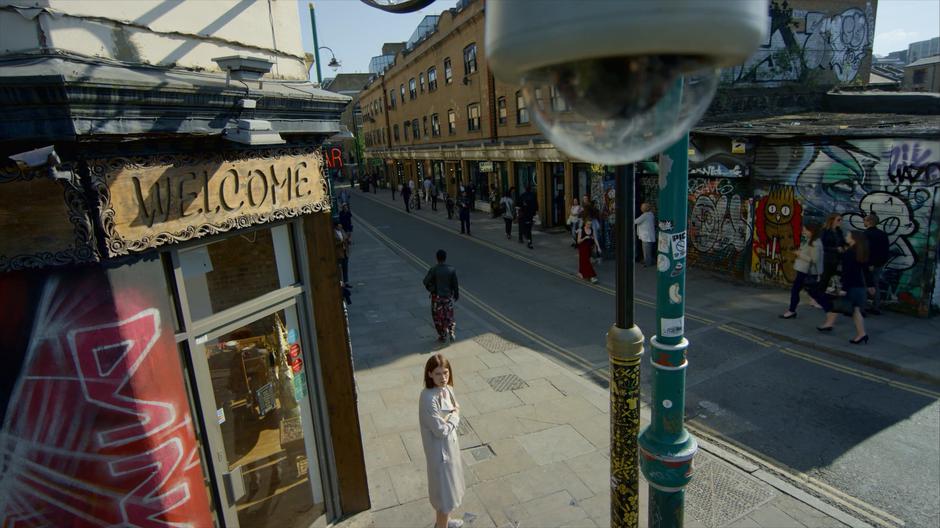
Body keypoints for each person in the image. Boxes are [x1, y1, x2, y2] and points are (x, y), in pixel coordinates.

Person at [419, 353, 465, 528]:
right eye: (438, 374)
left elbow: (454, 407)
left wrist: (451, 416)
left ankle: (445, 521)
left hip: (450, 447)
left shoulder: (447, 389)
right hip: (439, 453)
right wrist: (455, 417)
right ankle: (441, 525)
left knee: (449, 489)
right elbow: (440, 430)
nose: (443, 378)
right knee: (443, 493)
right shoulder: (427, 398)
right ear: (429, 374)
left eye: (445, 373)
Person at [816, 230, 869, 344]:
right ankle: (861, 334)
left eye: (848, 235)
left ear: (853, 239)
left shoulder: (850, 253)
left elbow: (847, 272)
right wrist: (871, 285)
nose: (846, 236)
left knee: (836, 304)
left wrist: (844, 288)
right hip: (858, 285)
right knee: (854, 310)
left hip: (850, 286)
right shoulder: (860, 251)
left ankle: (830, 324)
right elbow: (865, 270)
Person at [779, 224, 823, 319]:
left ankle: (830, 308)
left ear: (812, 231)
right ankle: (792, 310)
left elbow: (814, 259)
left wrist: (800, 254)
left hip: (806, 271)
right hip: (804, 270)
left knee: (799, 291)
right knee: (806, 292)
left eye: (805, 230)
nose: (803, 232)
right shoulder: (811, 240)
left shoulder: (815, 243)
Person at [423, 250, 460, 343]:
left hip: (437, 298)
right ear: (445, 257)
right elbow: (455, 284)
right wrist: (456, 294)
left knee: (437, 317)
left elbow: (425, 281)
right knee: (449, 315)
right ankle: (451, 332)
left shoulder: (434, 269)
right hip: (448, 297)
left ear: (437, 258)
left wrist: (432, 289)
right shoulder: (451, 269)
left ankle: (442, 335)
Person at [864, 213, 889, 315]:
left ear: (869, 221)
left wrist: (870, 263)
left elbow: (868, 250)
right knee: (875, 284)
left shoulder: (867, 234)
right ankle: (876, 306)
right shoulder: (883, 234)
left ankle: (863, 306)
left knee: (866, 284)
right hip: (879, 264)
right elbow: (885, 251)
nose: (863, 221)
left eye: (865, 220)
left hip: (869, 263)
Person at [819, 213, 846, 294]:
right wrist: (835, 249)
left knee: (829, 279)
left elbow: (842, 243)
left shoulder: (839, 231)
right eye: (838, 220)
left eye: (841, 220)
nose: (840, 222)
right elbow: (821, 246)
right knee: (824, 278)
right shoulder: (825, 231)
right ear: (832, 220)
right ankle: (817, 297)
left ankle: (821, 295)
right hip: (826, 258)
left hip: (836, 259)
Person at [577, 213, 601, 283]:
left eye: (590, 224)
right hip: (582, 248)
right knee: (586, 262)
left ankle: (580, 272)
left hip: (589, 248)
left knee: (583, 261)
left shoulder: (592, 229)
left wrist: (598, 247)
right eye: (588, 224)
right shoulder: (581, 230)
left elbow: (595, 239)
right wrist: (584, 238)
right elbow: (578, 241)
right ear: (585, 223)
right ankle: (592, 276)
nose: (589, 226)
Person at [635, 203, 656, 267]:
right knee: (648, 250)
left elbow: (636, 221)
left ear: (645, 208)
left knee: (646, 251)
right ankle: (648, 261)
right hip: (648, 235)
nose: (641, 208)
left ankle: (647, 263)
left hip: (646, 236)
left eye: (642, 207)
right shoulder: (651, 214)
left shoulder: (645, 215)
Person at [334, 220, 349, 286]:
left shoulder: (342, 230)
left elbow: (345, 237)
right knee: (340, 269)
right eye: (339, 225)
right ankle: (341, 283)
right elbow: (334, 243)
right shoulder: (333, 233)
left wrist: (347, 240)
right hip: (339, 253)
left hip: (345, 251)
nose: (341, 226)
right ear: (336, 226)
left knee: (345, 268)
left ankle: (346, 282)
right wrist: (341, 242)